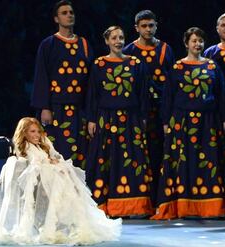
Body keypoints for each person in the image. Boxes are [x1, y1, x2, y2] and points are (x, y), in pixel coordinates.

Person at [0, 117, 121, 245]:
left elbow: (55, 156)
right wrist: (49, 164)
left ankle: (73, 222)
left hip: (49, 173)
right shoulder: (25, 147)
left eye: (38, 131)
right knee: (58, 177)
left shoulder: (44, 143)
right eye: (32, 132)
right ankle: (51, 224)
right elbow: (31, 164)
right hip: (35, 176)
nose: (36, 135)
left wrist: (54, 162)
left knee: (67, 175)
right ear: (24, 133)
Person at [152, 27, 225, 219]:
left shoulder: (212, 67)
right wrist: (166, 122)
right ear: (186, 43)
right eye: (194, 41)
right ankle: (181, 207)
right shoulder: (177, 68)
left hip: (207, 122)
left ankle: (209, 208)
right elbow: (168, 97)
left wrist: (224, 120)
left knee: (207, 162)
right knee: (182, 162)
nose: (198, 44)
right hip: (182, 122)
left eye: (200, 41)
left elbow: (221, 96)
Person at [85, 26, 153, 217]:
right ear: (107, 41)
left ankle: (132, 206)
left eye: (121, 38)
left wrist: (143, 118)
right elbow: (92, 94)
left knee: (131, 161)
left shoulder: (135, 64)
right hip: (105, 119)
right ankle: (105, 206)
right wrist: (91, 119)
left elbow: (142, 94)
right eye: (114, 38)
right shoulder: (99, 65)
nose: (118, 41)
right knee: (105, 161)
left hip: (130, 120)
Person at [31, 0, 93, 169]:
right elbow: (42, 76)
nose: (69, 15)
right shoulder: (48, 44)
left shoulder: (84, 44)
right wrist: (44, 107)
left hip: (80, 111)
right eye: (64, 13)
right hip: (56, 110)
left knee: (80, 153)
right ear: (56, 19)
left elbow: (90, 80)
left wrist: (90, 111)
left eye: (71, 12)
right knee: (55, 154)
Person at [123, 10, 174, 205]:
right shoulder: (129, 51)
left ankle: (159, 199)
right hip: (137, 111)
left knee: (160, 152)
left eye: (151, 25)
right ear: (136, 28)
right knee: (137, 153)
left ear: (156, 26)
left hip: (161, 110)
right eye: (144, 26)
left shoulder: (166, 49)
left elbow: (171, 82)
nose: (148, 29)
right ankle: (139, 199)